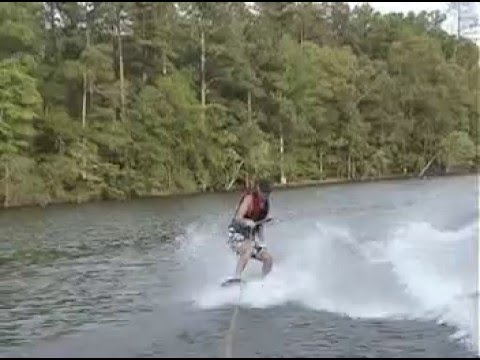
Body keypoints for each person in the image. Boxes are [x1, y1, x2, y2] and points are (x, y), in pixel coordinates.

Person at [226, 179, 274, 281]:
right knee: (248, 249)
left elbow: (260, 227)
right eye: (263, 194)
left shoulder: (266, 205)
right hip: (236, 234)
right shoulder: (249, 199)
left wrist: (262, 244)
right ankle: (236, 278)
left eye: (267, 194)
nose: (265, 197)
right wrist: (246, 221)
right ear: (258, 190)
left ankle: (264, 281)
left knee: (268, 258)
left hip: (250, 237)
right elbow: (238, 218)